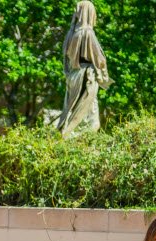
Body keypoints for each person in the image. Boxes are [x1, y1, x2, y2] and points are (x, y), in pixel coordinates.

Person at [57, 1, 113, 138]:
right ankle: (75, 143)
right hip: (86, 77)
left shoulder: (71, 34)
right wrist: (104, 75)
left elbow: (65, 58)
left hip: (74, 75)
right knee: (91, 122)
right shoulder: (87, 33)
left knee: (72, 112)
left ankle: (67, 138)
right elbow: (99, 59)